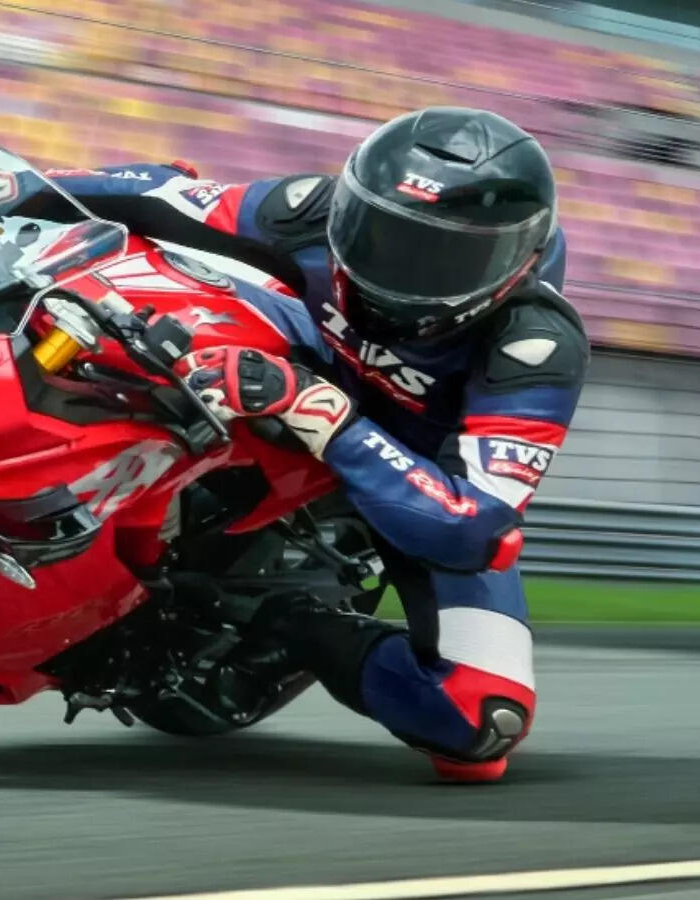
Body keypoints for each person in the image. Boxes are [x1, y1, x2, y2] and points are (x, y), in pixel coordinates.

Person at [39, 107, 589, 782]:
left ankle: (285, 620)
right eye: (382, 233)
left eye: (446, 255)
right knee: (140, 274)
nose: (400, 267)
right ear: (351, 200)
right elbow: (159, 193)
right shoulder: (309, 208)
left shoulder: (535, 346)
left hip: (408, 473)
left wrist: (318, 412)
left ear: (516, 264)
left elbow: (470, 530)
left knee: (479, 721)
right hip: (297, 359)